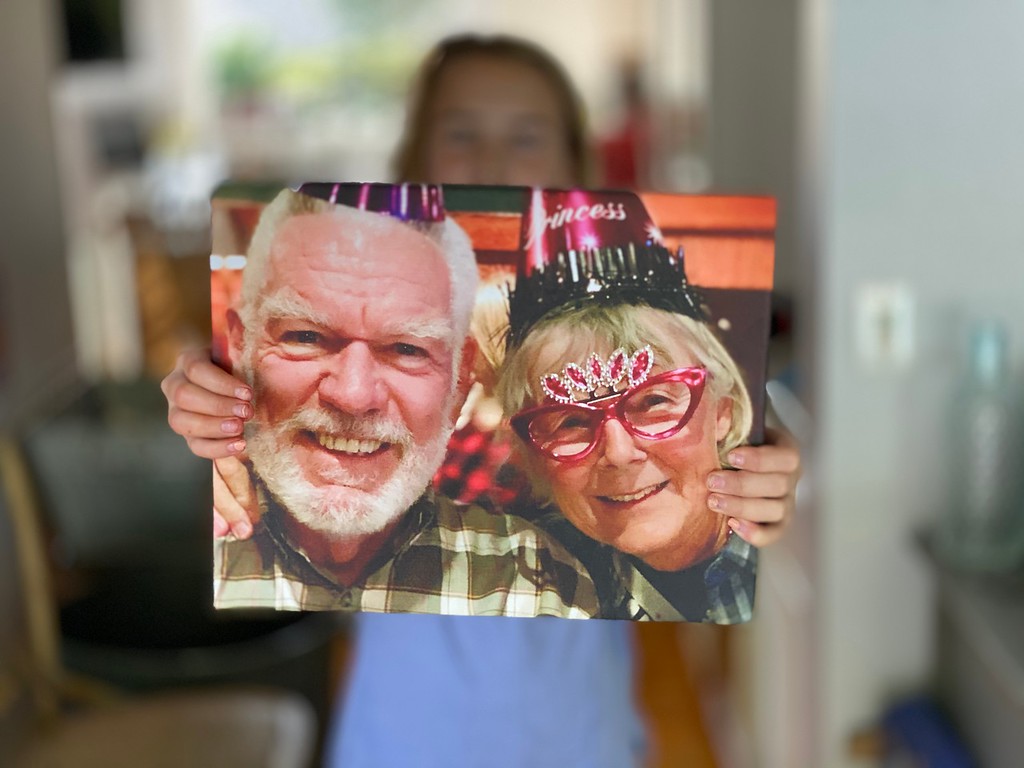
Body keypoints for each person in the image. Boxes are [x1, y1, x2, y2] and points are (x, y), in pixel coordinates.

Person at [162, 34, 801, 766]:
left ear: (578, 173)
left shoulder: (618, 334)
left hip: (579, 736)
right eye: (462, 133)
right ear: (412, 164)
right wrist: (213, 404)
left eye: (525, 137)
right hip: (399, 738)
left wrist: (757, 465)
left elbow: (715, 429)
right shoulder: (356, 335)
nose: (493, 160)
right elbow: (261, 462)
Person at [212, 186, 597, 617]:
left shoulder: (534, 581)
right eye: (306, 336)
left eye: (407, 349)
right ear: (240, 347)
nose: (354, 396)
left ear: (458, 384)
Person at [497, 231, 759, 621]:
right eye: (570, 421)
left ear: (724, 411)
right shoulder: (537, 584)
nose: (618, 453)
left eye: (654, 402)